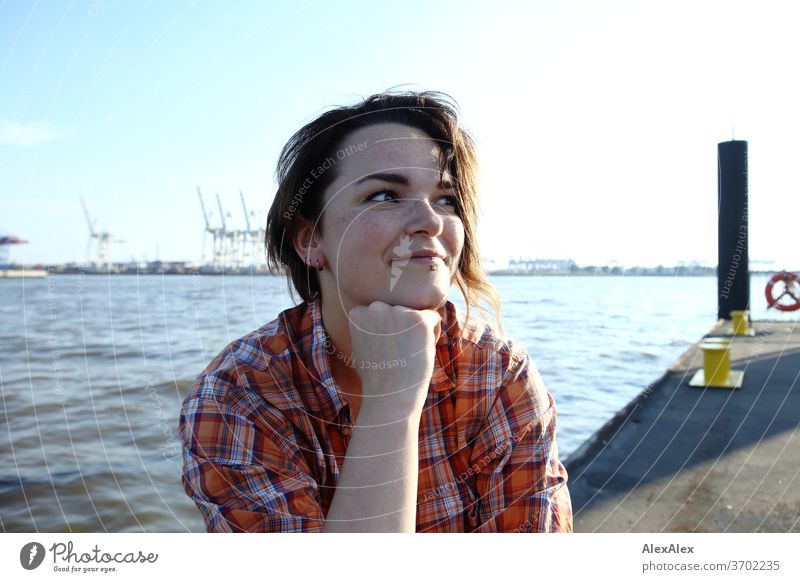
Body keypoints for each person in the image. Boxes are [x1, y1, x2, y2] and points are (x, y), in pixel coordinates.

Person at [179, 89, 572, 532]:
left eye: (446, 200)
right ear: (310, 239)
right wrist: (392, 405)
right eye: (384, 196)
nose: (432, 220)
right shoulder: (239, 396)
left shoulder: (497, 372)